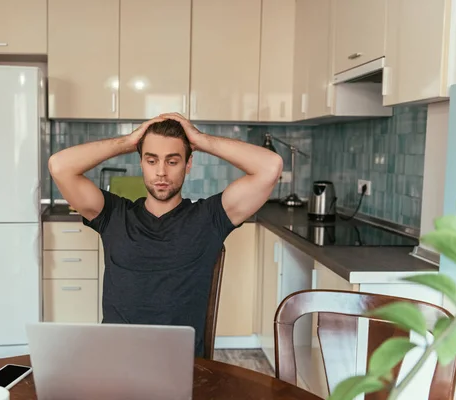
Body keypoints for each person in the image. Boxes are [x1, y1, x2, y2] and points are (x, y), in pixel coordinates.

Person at [48, 113, 283, 357]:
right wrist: (128, 142)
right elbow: (59, 166)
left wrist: (200, 139)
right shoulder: (114, 214)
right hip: (115, 359)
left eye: (172, 161)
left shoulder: (209, 217)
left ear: (188, 165)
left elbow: (270, 167)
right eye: (151, 160)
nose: (161, 172)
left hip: (180, 364)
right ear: (141, 163)